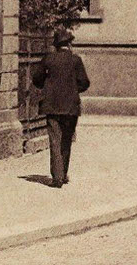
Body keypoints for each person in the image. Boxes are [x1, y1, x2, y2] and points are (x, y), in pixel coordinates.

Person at [31, 27, 90, 188]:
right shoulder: (75, 60)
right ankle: (63, 174)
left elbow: (37, 79)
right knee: (66, 140)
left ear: (56, 45)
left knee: (55, 140)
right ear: (69, 44)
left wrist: (47, 86)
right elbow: (84, 82)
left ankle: (57, 177)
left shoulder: (48, 60)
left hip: (52, 106)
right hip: (71, 107)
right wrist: (73, 90)